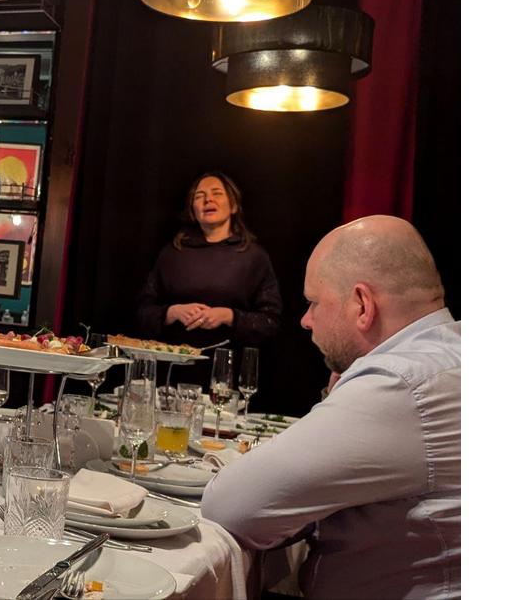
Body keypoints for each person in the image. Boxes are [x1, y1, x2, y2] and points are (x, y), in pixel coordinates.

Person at [201, 215, 461, 599]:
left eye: (314, 302)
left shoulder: (401, 383)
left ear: (362, 305)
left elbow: (229, 506)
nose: (305, 320)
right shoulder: (449, 356)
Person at [137, 172, 282, 365]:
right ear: (193, 209)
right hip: (174, 368)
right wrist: (171, 312)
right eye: (200, 196)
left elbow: (271, 323)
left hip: (229, 369)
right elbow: (142, 313)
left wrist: (230, 317)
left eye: (217, 193)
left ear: (233, 206)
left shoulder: (255, 257)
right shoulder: (172, 253)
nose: (208, 200)